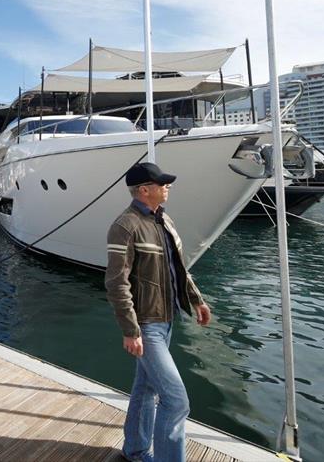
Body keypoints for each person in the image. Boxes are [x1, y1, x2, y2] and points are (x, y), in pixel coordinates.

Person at [105, 163, 212, 462]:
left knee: (146, 389)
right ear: (143, 190)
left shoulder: (165, 221)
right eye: (161, 183)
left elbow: (179, 269)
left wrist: (197, 301)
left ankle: (135, 450)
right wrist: (130, 329)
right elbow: (116, 283)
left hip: (167, 320)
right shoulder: (125, 225)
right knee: (176, 401)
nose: (168, 187)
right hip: (146, 325)